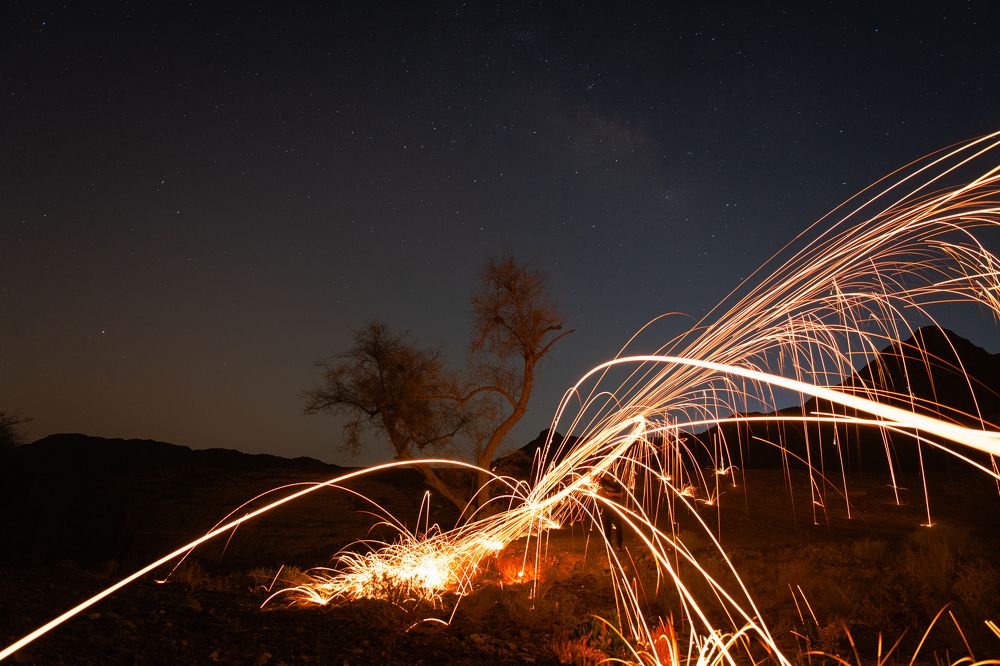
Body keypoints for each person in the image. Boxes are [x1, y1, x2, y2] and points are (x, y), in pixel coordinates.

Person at [597, 472, 625, 550]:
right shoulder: (604, 481)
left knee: (618, 526)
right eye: (605, 475)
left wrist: (612, 494)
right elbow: (596, 479)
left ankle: (619, 545)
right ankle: (609, 545)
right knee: (606, 528)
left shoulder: (617, 485)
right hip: (606, 508)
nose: (605, 476)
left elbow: (622, 494)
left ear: (611, 477)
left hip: (615, 508)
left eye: (607, 476)